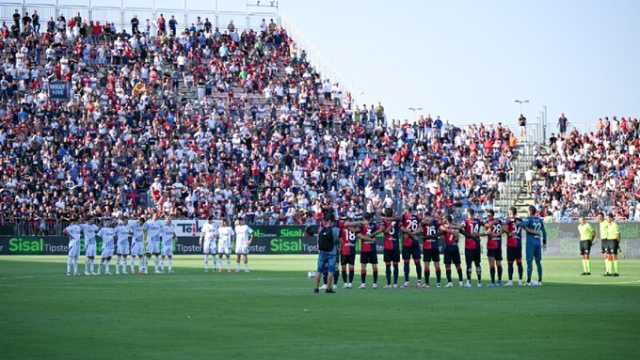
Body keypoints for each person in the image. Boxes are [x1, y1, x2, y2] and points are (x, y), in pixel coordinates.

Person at [313, 212, 338, 294]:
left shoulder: (321, 229)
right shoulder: (335, 230)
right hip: (332, 252)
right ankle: (328, 288)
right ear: (331, 221)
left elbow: (318, 239)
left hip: (322, 252)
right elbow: (336, 240)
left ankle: (316, 288)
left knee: (319, 270)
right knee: (331, 271)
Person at [522, 206, 547, 286]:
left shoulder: (528, 219)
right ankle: (540, 281)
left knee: (529, 262)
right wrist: (544, 242)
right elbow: (544, 232)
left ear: (529, 211)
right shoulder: (539, 220)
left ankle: (528, 281)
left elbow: (523, 226)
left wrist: (518, 222)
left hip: (531, 243)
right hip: (538, 243)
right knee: (538, 262)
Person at [400, 207, 423, 288]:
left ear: (406, 210)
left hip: (407, 242)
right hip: (414, 241)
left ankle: (407, 282)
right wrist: (413, 233)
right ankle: (419, 282)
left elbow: (402, 228)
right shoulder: (417, 217)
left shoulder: (404, 216)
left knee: (407, 262)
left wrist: (409, 233)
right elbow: (420, 229)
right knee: (417, 262)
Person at [357, 213, 381, 289]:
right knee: (374, 266)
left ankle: (363, 283)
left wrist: (368, 237)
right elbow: (381, 229)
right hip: (371, 247)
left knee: (364, 266)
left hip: (365, 248)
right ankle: (374, 283)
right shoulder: (374, 224)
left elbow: (359, 235)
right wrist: (371, 238)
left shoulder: (362, 225)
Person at [462, 209, 483, 288]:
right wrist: (480, 234)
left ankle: (469, 282)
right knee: (477, 264)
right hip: (477, 245)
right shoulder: (478, 221)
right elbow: (488, 226)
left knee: (469, 265)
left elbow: (460, 228)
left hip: (468, 246)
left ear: (468, 214)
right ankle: (479, 282)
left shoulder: (466, 221)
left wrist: (467, 235)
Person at [420, 211, 442, 288]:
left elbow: (422, 223)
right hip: (435, 245)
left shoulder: (423, 222)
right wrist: (435, 236)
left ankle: (427, 283)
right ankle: (438, 283)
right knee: (437, 265)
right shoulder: (435, 222)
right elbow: (441, 231)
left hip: (427, 246)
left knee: (427, 265)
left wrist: (426, 237)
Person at [441, 215, 464, 287]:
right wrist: (452, 230)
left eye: (444, 219)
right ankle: (452, 282)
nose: (443, 220)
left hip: (451, 246)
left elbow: (457, 235)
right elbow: (442, 228)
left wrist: (451, 229)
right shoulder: (446, 226)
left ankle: (458, 281)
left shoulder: (453, 226)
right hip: (451, 247)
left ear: (447, 220)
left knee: (456, 265)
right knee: (449, 265)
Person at [337, 216, 359, 289]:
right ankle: (348, 283)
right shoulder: (355, 229)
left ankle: (347, 283)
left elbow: (340, 238)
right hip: (351, 248)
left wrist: (342, 245)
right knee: (348, 267)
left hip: (345, 249)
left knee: (347, 267)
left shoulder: (342, 228)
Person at [381, 208, 401, 288]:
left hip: (388, 246)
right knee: (394, 265)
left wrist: (390, 222)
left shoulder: (384, 221)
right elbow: (399, 218)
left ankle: (389, 283)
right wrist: (392, 224)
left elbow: (385, 232)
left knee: (388, 265)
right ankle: (394, 283)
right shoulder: (395, 221)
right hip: (395, 246)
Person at [505, 207, 524, 286]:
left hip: (512, 244)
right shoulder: (520, 220)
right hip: (518, 244)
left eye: (510, 213)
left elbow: (505, 229)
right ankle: (519, 281)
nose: (509, 214)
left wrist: (509, 232)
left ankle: (511, 281)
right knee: (518, 263)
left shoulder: (508, 221)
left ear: (513, 213)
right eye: (509, 213)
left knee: (511, 263)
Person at [484, 209, 504, 287]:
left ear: (492, 215)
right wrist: (498, 234)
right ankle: (499, 281)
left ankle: (493, 282)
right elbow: (503, 230)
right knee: (498, 263)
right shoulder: (499, 221)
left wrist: (491, 233)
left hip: (492, 245)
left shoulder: (488, 222)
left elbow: (487, 231)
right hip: (498, 244)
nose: (488, 216)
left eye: (489, 215)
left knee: (492, 264)